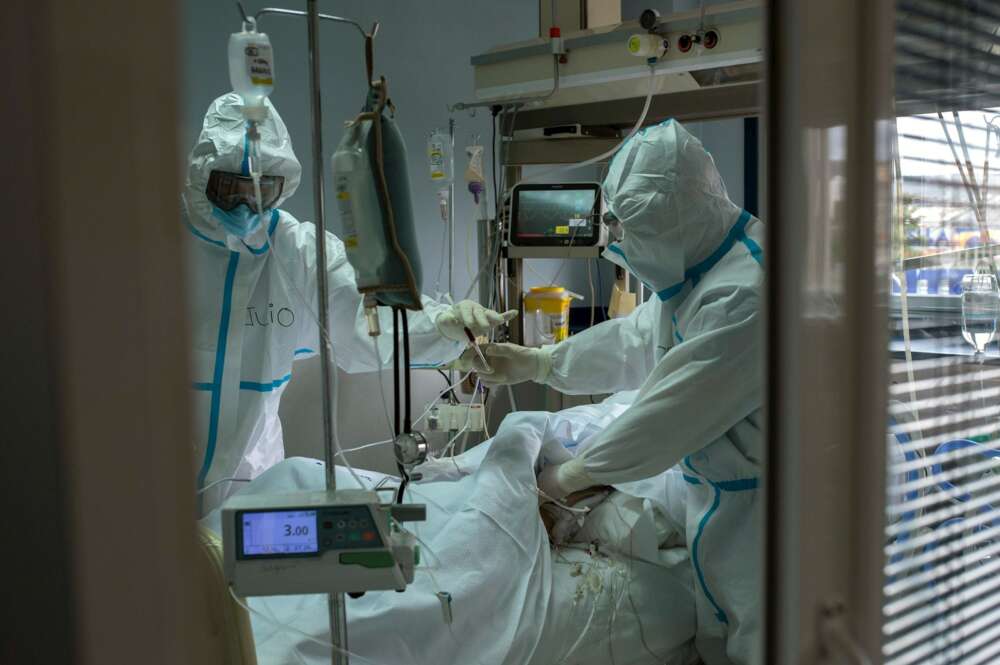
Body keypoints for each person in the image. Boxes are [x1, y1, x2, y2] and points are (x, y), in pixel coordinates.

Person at [454, 120, 764, 665]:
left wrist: (567, 480)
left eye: (637, 234)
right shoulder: (700, 274)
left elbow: (667, 418)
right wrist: (539, 361)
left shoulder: (749, 293)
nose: (624, 248)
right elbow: (636, 339)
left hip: (772, 513)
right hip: (722, 500)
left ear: (681, 220)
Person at [183, 93, 513, 511]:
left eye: (264, 189)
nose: (248, 204)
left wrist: (442, 323)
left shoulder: (294, 251)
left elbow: (363, 310)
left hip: (254, 481)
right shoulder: (152, 246)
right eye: (231, 188)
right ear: (203, 175)